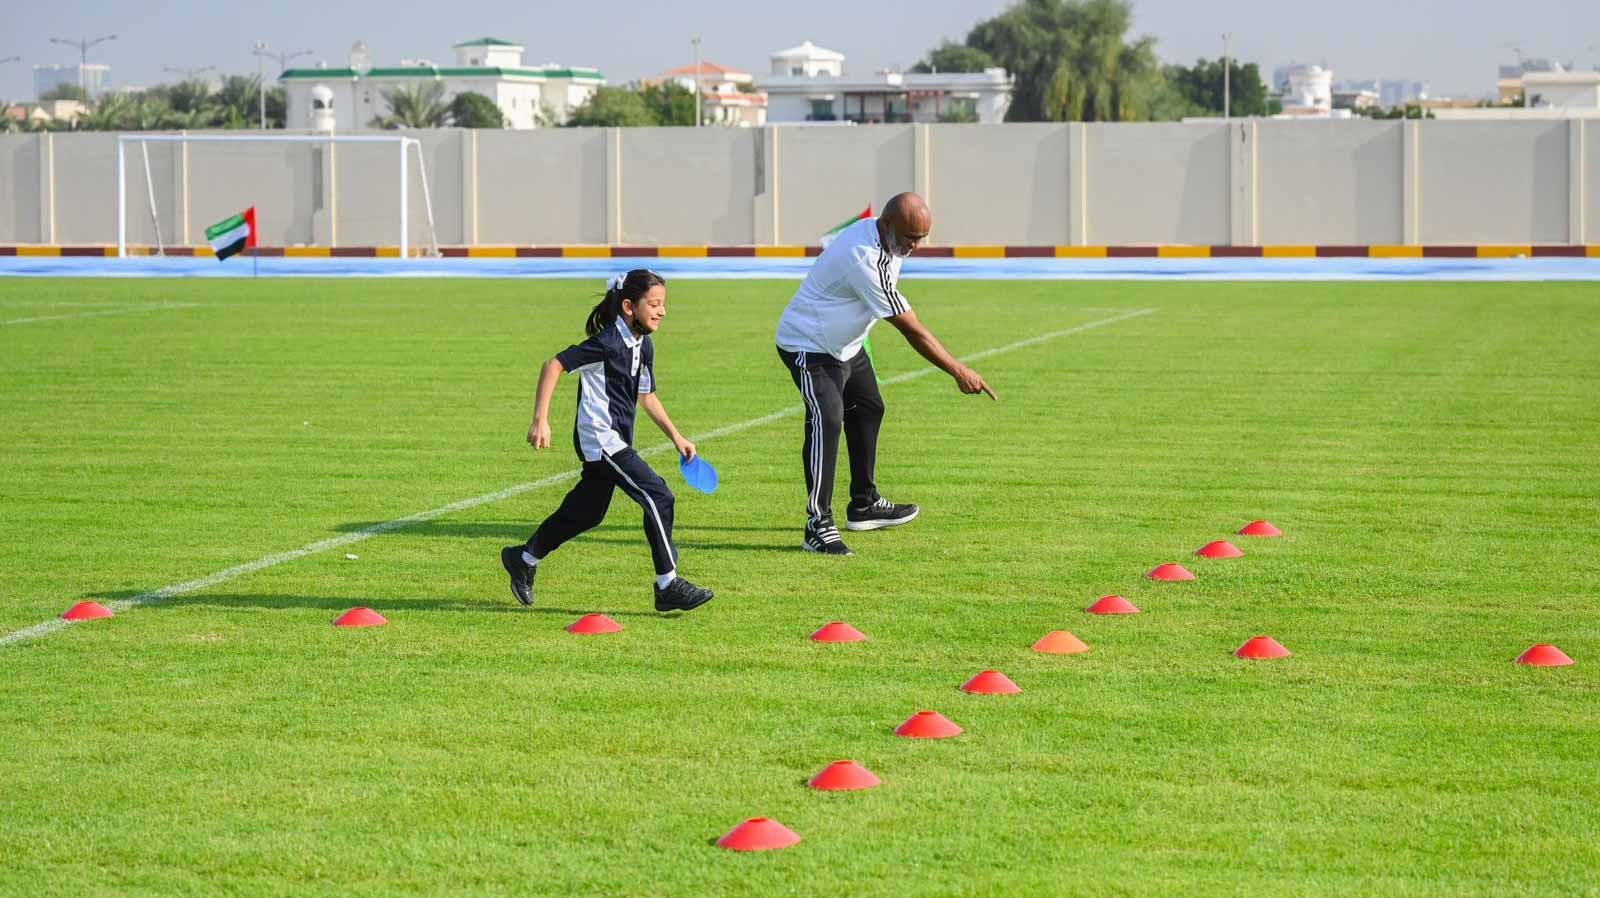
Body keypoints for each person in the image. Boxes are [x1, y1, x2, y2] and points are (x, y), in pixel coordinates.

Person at [775, 192, 996, 556]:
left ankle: (863, 505)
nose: (917, 246)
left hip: (846, 345)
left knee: (868, 408)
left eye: (923, 237)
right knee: (827, 422)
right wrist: (958, 370)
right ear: (888, 225)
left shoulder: (889, 240)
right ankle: (818, 524)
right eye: (911, 237)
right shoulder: (864, 258)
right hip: (808, 346)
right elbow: (912, 330)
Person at [501, 270, 714, 612]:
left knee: (587, 512)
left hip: (612, 442)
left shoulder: (643, 344)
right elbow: (553, 364)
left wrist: (677, 437)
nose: (662, 311)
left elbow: (647, 396)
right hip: (602, 441)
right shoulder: (607, 343)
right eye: (654, 304)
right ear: (629, 307)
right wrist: (541, 420)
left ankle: (523, 558)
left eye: (664, 305)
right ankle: (667, 584)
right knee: (658, 495)